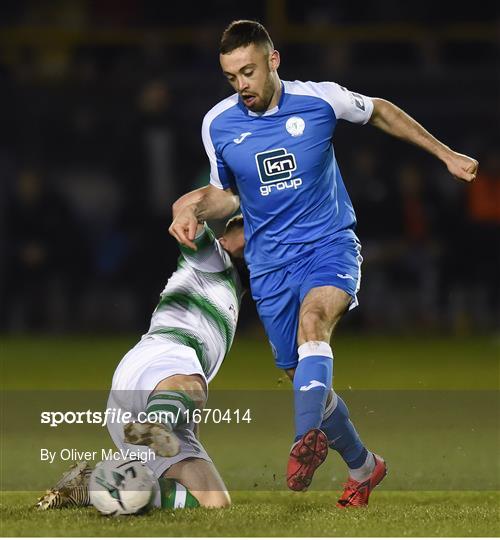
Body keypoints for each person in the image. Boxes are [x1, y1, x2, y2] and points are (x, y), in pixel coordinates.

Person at [169, 20, 479, 508]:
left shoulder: (319, 100)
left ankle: (301, 443)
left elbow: (380, 112)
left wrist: (444, 154)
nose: (241, 85)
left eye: (248, 71)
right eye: (231, 77)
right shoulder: (218, 124)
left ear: (273, 61)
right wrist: (187, 207)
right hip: (269, 268)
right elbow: (225, 195)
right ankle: (363, 466)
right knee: (306, 382)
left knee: (314, 325)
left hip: (328, 246)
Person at [36, 215, 246, 511]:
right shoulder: (211, 256)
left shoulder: (235, 289)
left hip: (161, 404)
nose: (262, 241)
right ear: (224, 240)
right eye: (252, 233)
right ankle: (156, 421)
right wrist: (231, 195)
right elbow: (191, 216)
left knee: (213, 502)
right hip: (157, 360)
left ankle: (96, 484)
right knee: (194, 383)